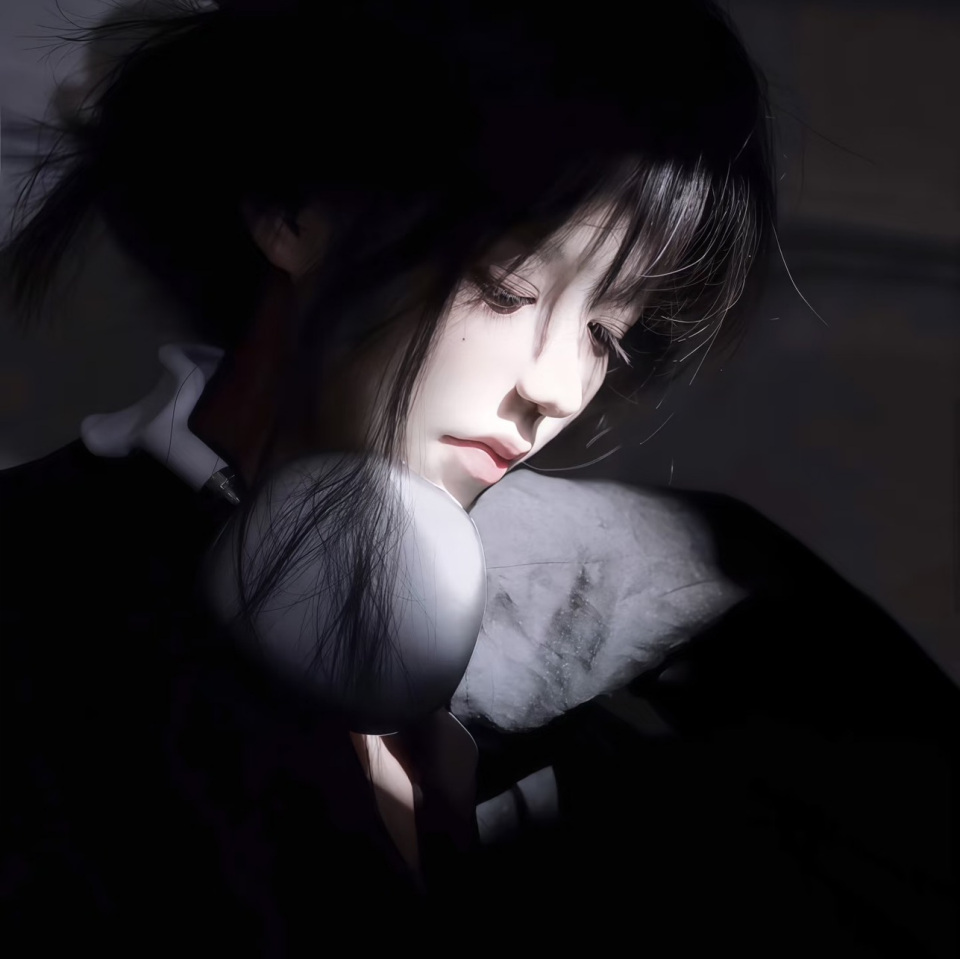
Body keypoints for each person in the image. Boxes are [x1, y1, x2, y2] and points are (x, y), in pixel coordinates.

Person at [2, 0, 955, 955]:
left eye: (606, 335)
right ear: (293, 210)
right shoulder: (51, 603)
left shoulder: (587, 643)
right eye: (509, 288)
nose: (557, 389)